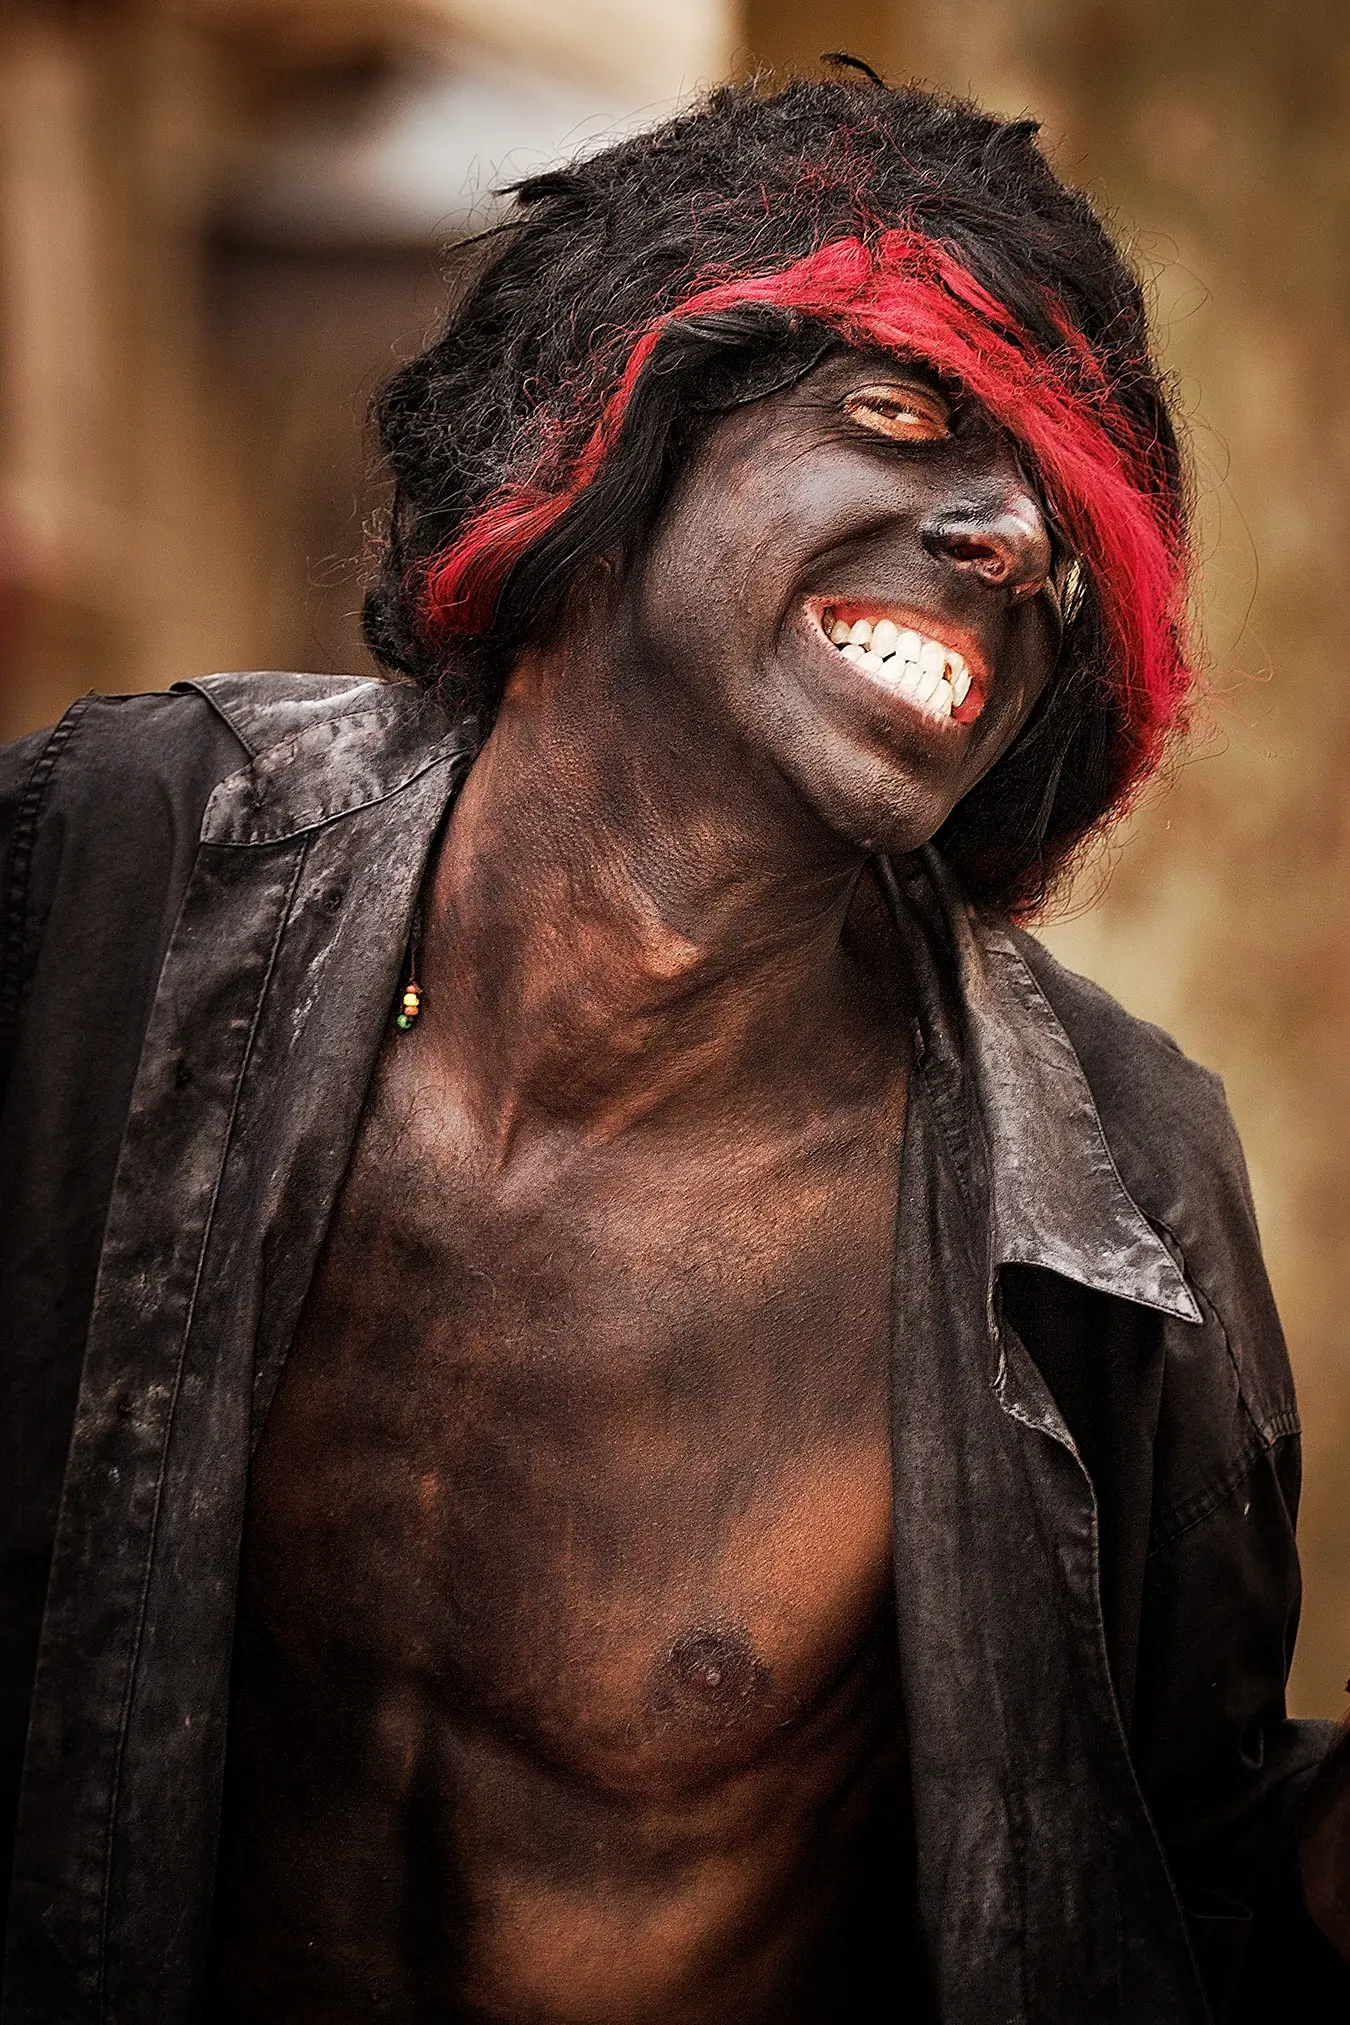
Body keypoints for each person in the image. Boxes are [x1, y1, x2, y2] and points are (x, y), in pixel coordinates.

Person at [1, 65, 1348, 2025]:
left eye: (1063, 532)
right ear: (612, 426)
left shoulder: (1115, 1199)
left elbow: (1186, 1870)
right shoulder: (110, 867)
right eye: (905, 418)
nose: (1004, 536)